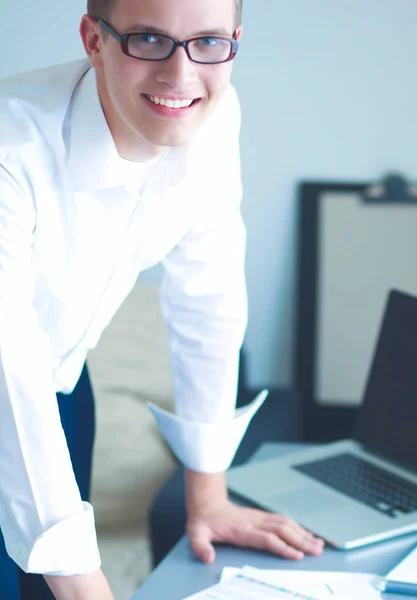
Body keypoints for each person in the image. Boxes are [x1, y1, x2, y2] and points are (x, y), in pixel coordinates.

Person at [0, 0, 324, 598]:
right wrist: (82, 583)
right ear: (93, 40)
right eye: (148, 40)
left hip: (65, 381)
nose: (180, 76)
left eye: (207, 42)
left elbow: (209, 298)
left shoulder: (213, 114)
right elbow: (7, 362)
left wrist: (208, 494)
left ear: (234, 40)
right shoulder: (10, 150)